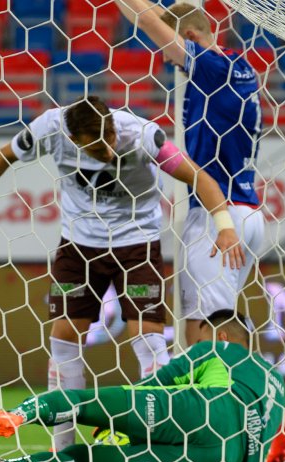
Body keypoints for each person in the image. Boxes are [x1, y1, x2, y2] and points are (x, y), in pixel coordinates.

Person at [0, 96, 245, 450]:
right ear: (74, 139)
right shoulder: (48, 129)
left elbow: (198, 176)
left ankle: (160, 441)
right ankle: (63, 446)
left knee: (149, 338)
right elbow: (3, 156)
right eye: (97, 144)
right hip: (78, 246)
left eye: (110, 136)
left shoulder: (141, 135)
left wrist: (224, 225)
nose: (108, 147)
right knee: (64, 338)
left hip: (137, 244)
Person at [0, 310, 285, 462]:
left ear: (221, 337)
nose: (197, 343)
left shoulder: (219, 350)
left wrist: (116, 417)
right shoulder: (277, 381)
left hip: (206, 410)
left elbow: (159, 382)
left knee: (82, 402)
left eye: (201, 337)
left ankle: (12, 417)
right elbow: (255, 459)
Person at [114, 0, 266, 345]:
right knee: (213, 324)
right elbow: (161, 15)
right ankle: (231, 396)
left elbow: (152, 24)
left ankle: (235, 397)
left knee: (207, 334)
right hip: (245, 210)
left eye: (170, 50)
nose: (168, 60)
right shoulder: (237, 64)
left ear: (190, 37)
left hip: (220, 215)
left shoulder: (211, 66)